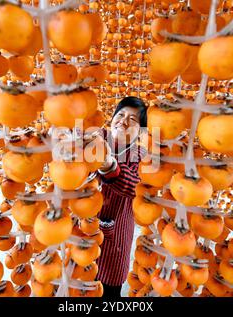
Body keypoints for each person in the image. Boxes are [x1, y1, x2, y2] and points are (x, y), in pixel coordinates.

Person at [95, 96, 147, 297]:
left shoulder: (141, 155)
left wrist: (110, 166)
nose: (123, 121)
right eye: (120, 114)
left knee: (109, 289)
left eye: (133, 120)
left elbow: (135, 186)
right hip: (82, 231)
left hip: (114, 238)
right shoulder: (96, 137)